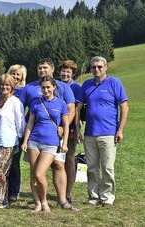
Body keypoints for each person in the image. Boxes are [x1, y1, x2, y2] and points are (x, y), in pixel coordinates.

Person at [21, 58, 76, 208]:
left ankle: (62, 200)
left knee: (59, 165)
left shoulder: (63, 87)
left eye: (45, 68)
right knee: (36, 171)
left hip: (55, 136)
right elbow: (21, 109)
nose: (42, 70)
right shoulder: (30, 87)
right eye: (39, 68)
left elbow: (71, 109)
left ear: (52, 69)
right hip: (35, 136)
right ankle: (39, 200)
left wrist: (63, 128)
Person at [76, 56, 128, 208]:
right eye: (93, 67)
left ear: (106, 68)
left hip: (108, 132)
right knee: (91, 167)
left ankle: (107, 198)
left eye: (99, 66)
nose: (96, 70)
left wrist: (120, 130)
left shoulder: (114, 83)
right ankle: (93, 196)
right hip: (90, 133)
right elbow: (78, 108)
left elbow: (124, 107)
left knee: (107, 167)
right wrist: (78, 129)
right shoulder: (86, 84)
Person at [0, 75, 24, 208]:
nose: (4, 87)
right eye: (2, 84)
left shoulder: (15, 102)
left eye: (7, 85)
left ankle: (2, 201)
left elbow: (20, 123)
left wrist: (20, 140)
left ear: (12, 87)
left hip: (8, 141)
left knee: (0, 171)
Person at [58, 60, 81, 203]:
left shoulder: (77, 88)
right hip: (54, 128)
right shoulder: (55, 86)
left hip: (70, 129)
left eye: (68, 71)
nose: (65, 73)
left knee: (69, 160)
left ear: (73, 73)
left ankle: (68, 193)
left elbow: (77, 110)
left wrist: (75, 129)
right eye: (63, 71)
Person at [6, 64, 27, 202]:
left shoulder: (25, 91)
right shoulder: (2, 87)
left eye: (18, 74)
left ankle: (14, 191)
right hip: (2, 132)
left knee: (14, 163)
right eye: (13, 73)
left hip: (17, 132)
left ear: (22, 77)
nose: (15, 76)